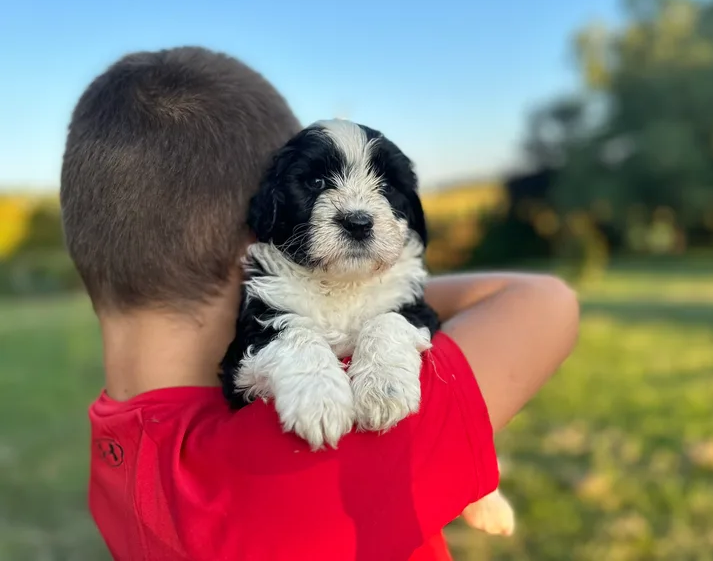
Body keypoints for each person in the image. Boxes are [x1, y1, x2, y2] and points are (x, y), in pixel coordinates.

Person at [62, 46, 580, 561]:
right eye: (312, 184)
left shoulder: (113, 447)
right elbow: (542, 301)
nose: (355, 209)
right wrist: (378, 307)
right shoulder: (299, 463)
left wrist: (367, 299)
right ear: (258, 230)